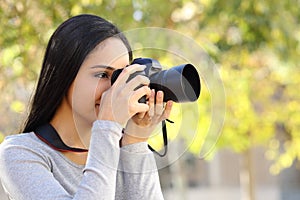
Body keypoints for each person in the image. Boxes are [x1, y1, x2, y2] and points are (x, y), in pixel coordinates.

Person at [0, 14, 173, 200]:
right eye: (102, 75)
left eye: (123, 76)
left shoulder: (119, 150)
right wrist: (108, 124)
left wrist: (135, 139)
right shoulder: (20, 153)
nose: (116, 89)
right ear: (63, 77)